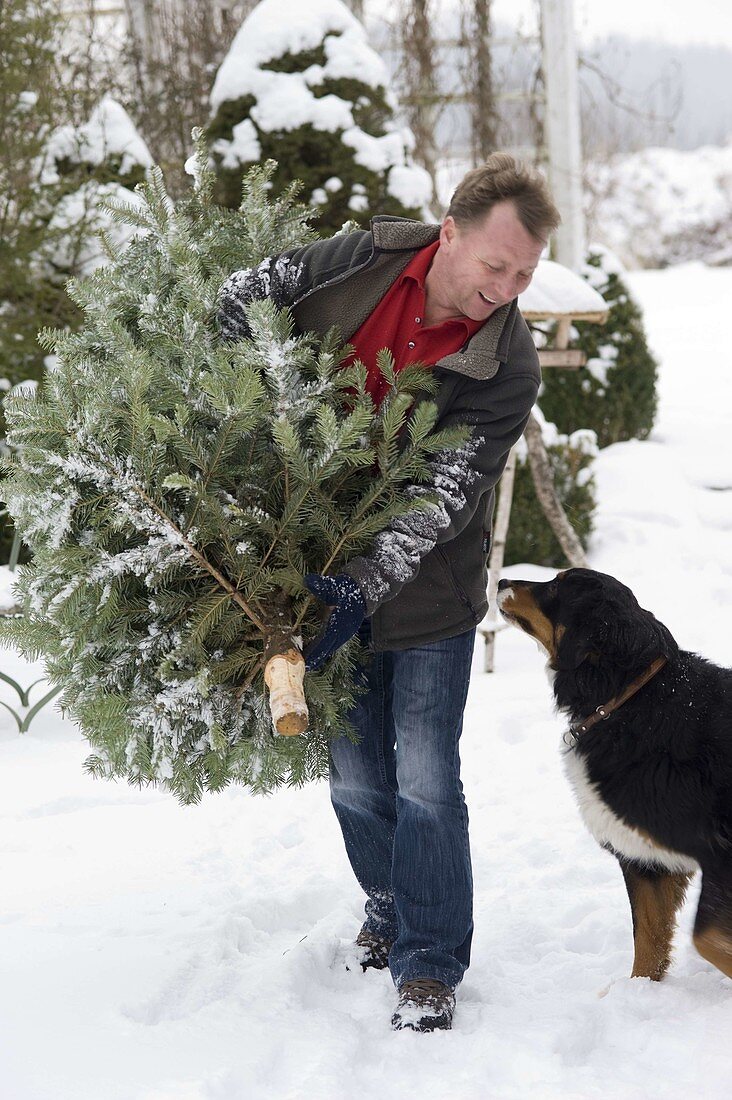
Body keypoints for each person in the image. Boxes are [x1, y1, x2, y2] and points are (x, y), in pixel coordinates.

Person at [218, 152, 561, 1032]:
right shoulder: (360, 259)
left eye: (522, 274)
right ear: (449, 233)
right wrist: (223, 403)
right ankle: (388, 905)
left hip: (427, 591)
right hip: (305, 553)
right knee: (354, 777)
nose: (505, 287)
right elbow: (245, 294)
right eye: (494, 264)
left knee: (424, 779)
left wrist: (359, 588)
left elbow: (441, 498)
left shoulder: (507, 364)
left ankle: (430, 961)